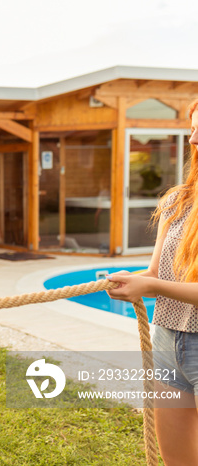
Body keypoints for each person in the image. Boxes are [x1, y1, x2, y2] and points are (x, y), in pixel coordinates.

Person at [108, 97, 198, 465]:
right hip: (166, 339)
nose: (193, 139)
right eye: (192, 128)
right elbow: (156, 272)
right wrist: (133, 280)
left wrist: (152, 288)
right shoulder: (178, 201)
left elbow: (156, 284)